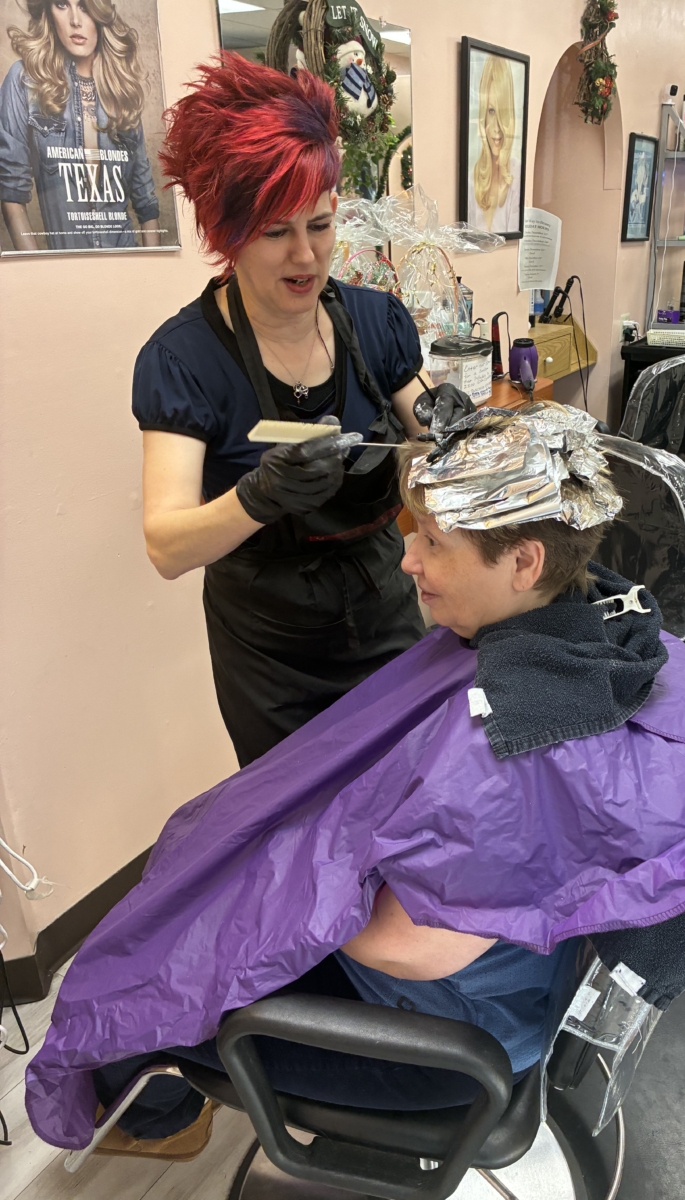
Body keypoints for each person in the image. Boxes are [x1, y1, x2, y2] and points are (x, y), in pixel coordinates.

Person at [27, 404, 685, 1157]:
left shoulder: (515, 745)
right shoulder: (620, 635)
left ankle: (156, 1121)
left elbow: (408, 950)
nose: (408, 559)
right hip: (518, 972)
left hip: (446, 1041)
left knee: (153, 997)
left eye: (434, 543)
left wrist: (288, 891)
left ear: (524, 563)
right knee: (189, 925)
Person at [131, 55, 471, 767]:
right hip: (269, 657)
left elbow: (428, 442)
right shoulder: (185, 360)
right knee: (301, 818)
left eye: (320, 225)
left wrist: (449, 431)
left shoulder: (376, 324)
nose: (307, 256)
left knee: (410, 787)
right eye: (275, 232)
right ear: (228, 234)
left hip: (386, 616)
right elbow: (166, 547)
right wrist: (256, 498)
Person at [0, 0, 161, 250]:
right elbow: (11, 190)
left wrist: (150, 267)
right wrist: (37, 267)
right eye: (62, 4)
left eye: (84, 6)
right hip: (63, 266)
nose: (75, 20)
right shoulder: (25, 80)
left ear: (99, 12)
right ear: (48, 12)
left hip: (127, 262)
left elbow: (146, 201)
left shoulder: (121, 90)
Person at [467, 53, 520, 235]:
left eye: (502, 112)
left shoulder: (517, 175)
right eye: (491, 111)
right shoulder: (471, 179)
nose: (497, 128)